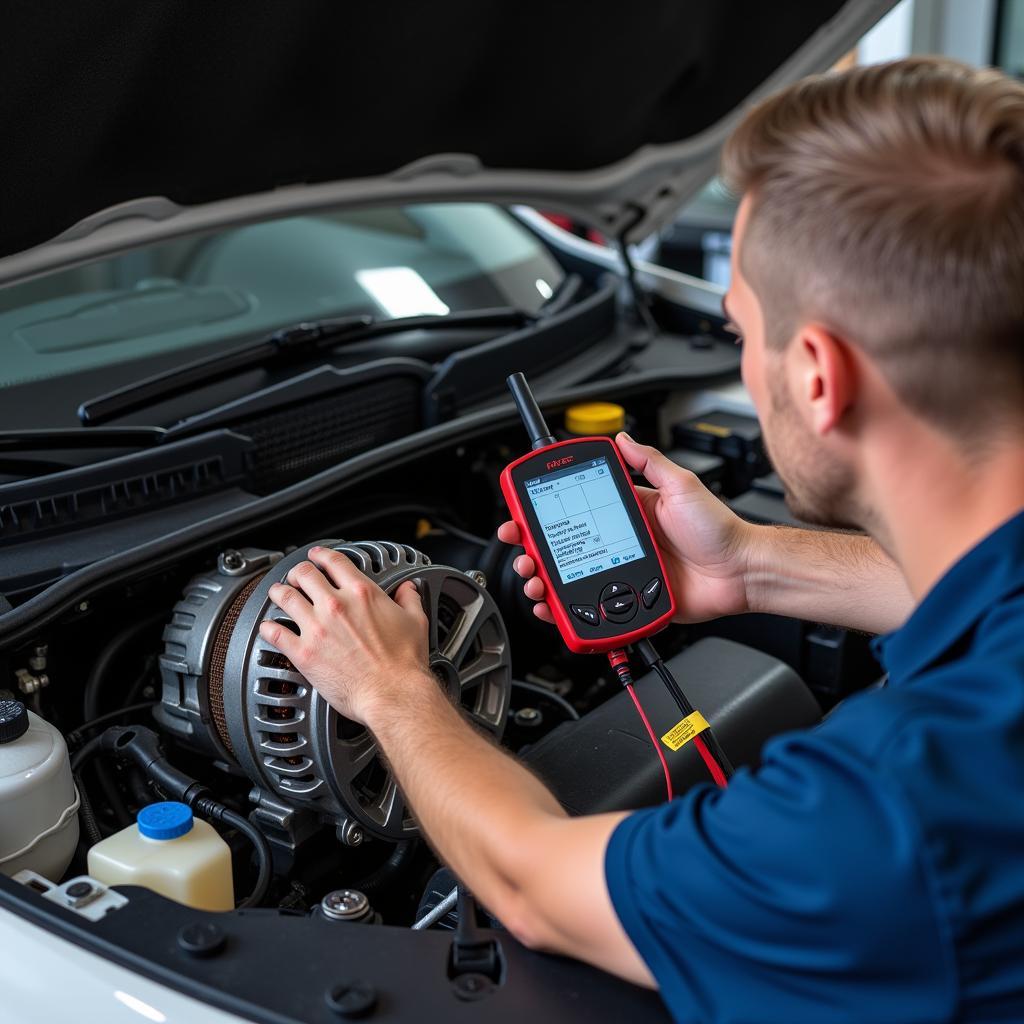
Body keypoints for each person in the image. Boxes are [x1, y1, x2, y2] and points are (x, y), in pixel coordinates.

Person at [258, 58, 1024, 1022]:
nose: (741, 361)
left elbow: (536, 888)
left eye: (743, 330)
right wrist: (748, 561)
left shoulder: (881, 821)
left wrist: (393, 690)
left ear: (821, 378)